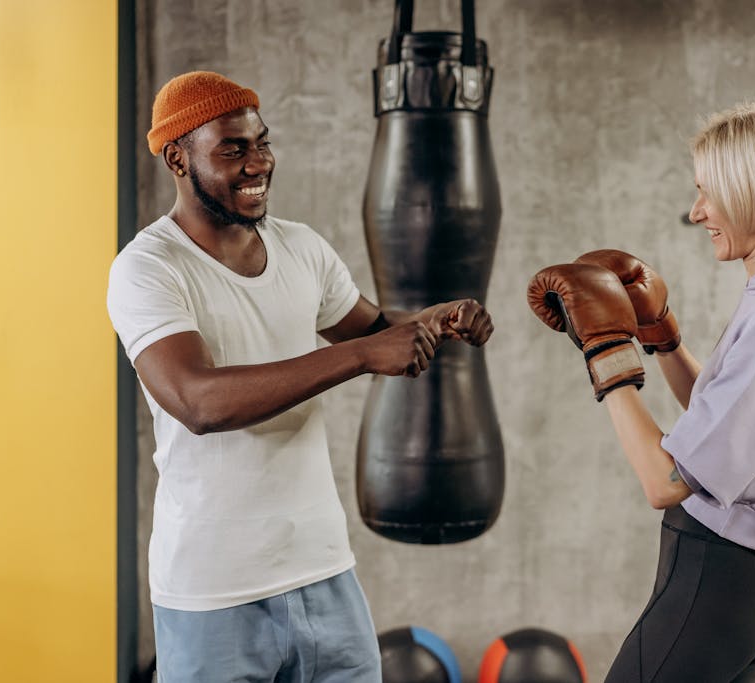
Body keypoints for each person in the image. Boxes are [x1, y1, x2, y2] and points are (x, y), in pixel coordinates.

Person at [107, 70, 494, 683]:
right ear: (177, 159)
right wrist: (363, 357)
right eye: (232, 149)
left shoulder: (302, 248)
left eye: (262, 143)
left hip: (324, 574)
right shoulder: (148, 267)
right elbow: (196, 401)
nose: (258, 162)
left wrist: (431, 321)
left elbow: (372, 338)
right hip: (215, 591)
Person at [527, 102, 755, 682]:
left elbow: (666, 482)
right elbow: (735, 424)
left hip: (710, 577)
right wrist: (662, 337)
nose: (698, 211)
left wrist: (604, 349)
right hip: (748, 584)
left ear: (753, 191)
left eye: (710, 193)